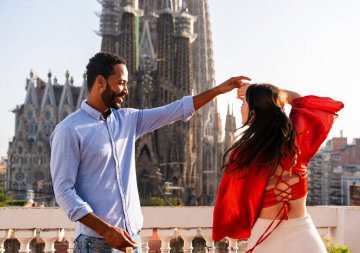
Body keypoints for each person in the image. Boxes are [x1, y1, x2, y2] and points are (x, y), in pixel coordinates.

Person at [50, 52, 249, 253]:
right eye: (121, 83)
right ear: (100, 82)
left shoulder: (127, 120)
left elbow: (176, 110)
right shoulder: (69, 130)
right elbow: (64, 191)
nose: (126, 90)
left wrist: (218, 90)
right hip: (96, 243)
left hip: (132, 238)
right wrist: (107, 231)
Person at [212, 83, 344, 253]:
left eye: (243, 104)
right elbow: (301, 101)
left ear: (254, 111)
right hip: (306, 239)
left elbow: (232, 202)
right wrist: (271, 93)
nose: (241, 108)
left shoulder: (245, 156)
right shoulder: (297, 142)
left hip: (265, 241)